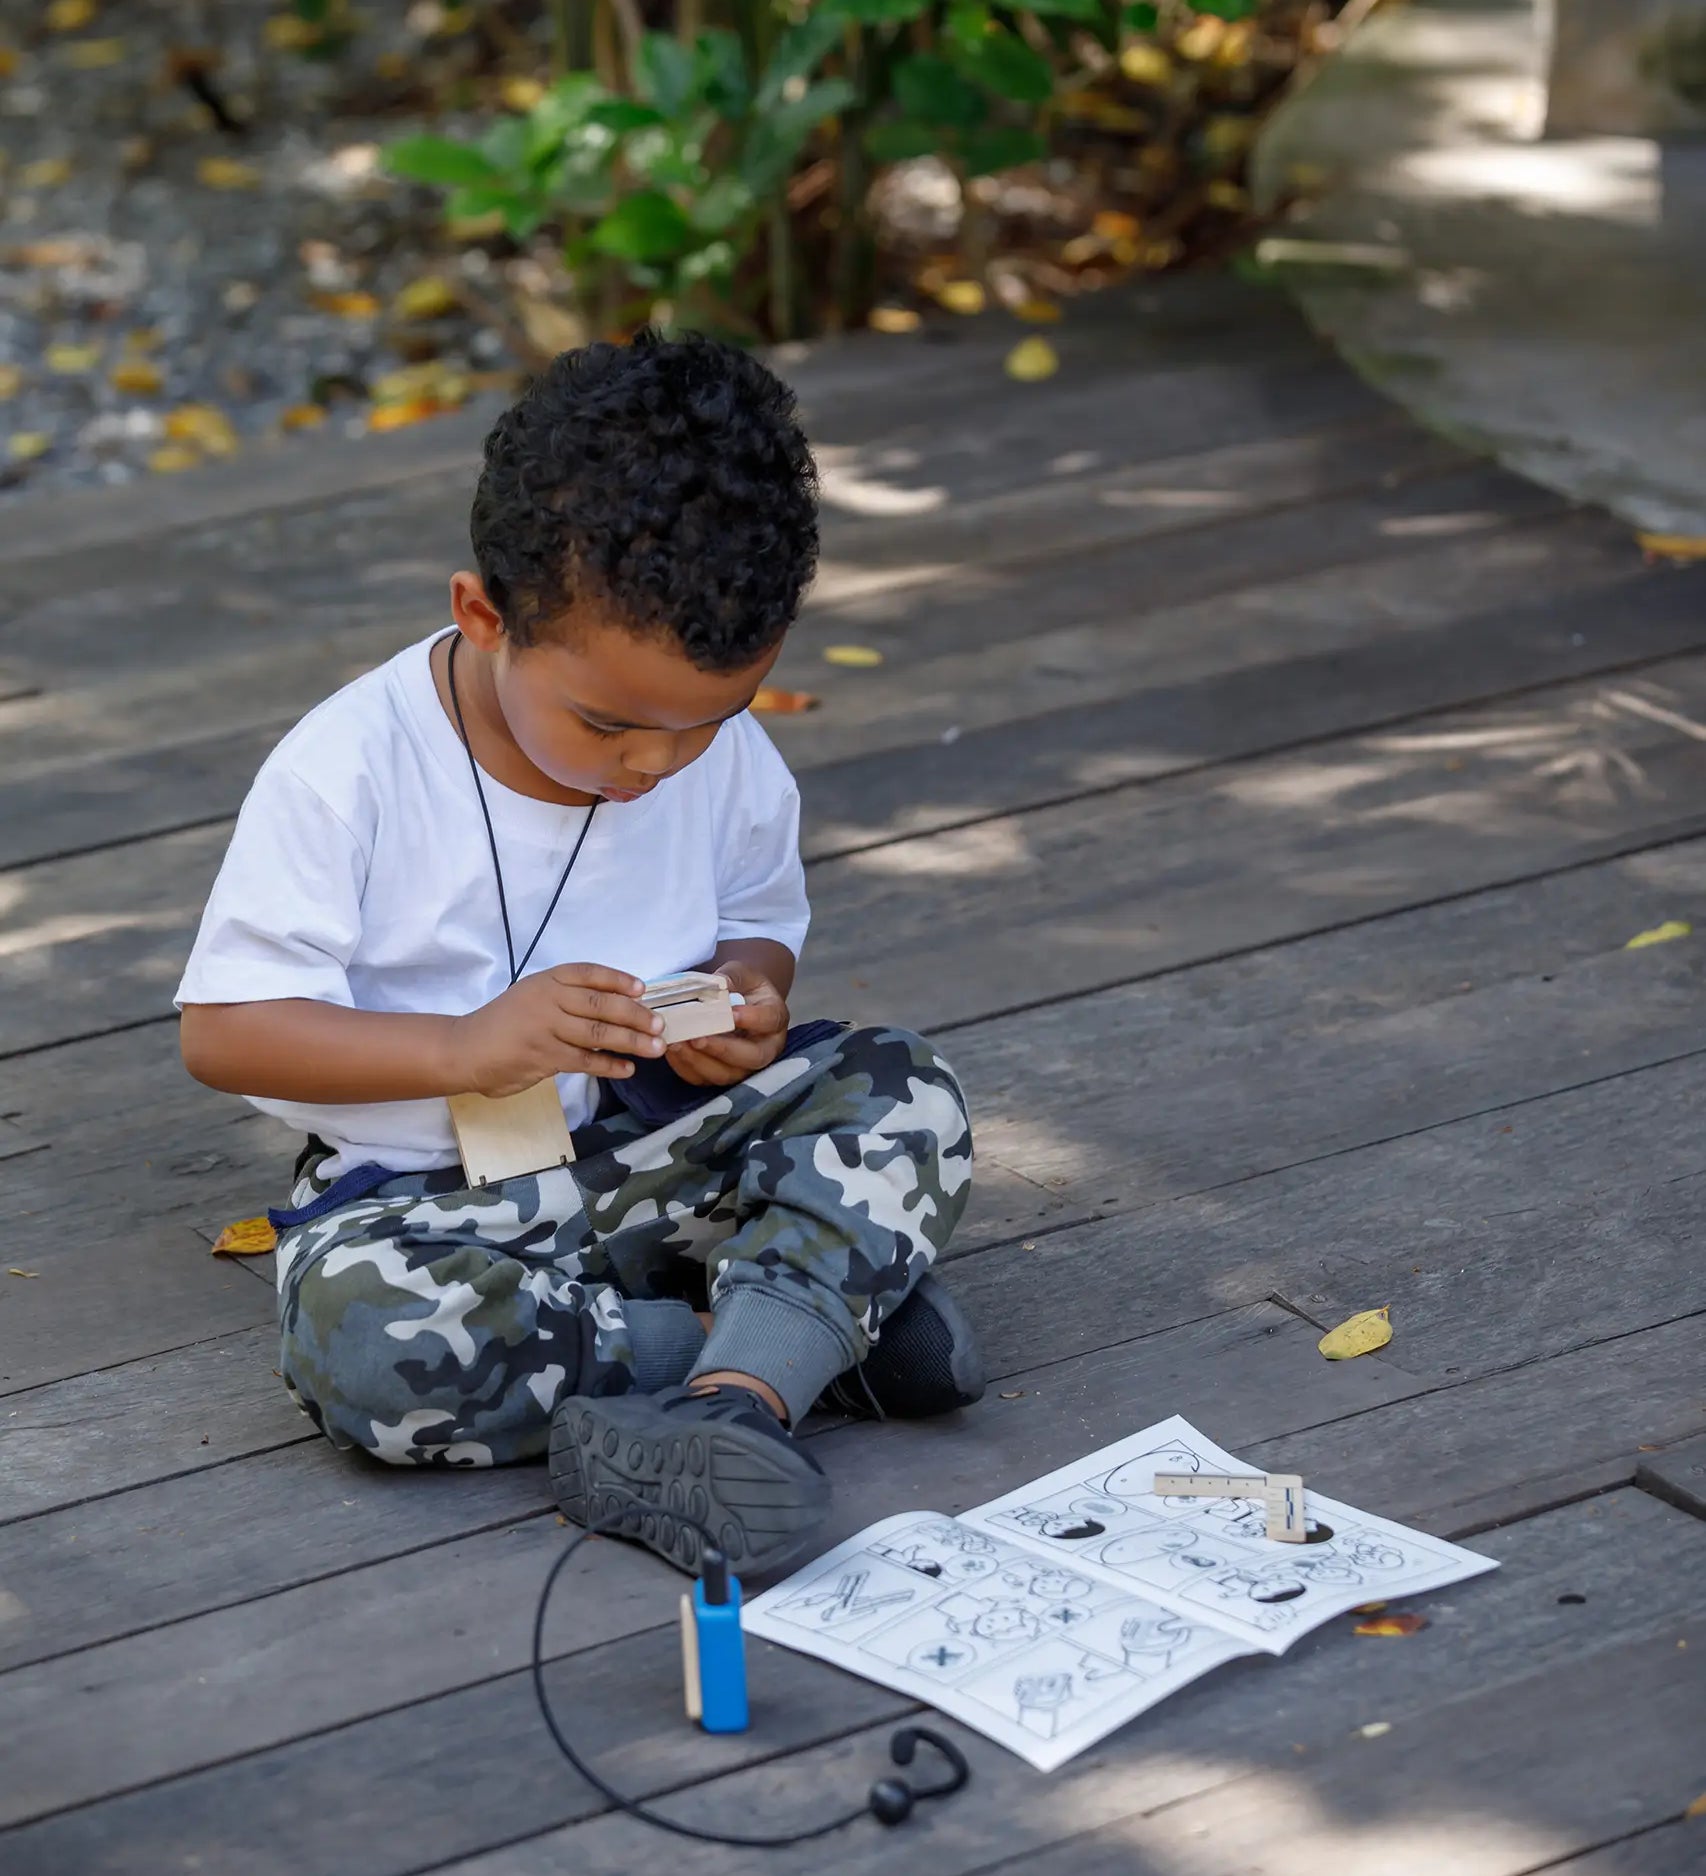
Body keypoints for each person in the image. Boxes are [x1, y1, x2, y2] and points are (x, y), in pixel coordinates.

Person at [175, 332, 982, 1576]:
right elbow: (224, 1029)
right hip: (430, 1203)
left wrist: (752, 1000)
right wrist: (462, 1044)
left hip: (655, 1151)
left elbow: (755, 921)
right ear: (482, 614)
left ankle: (734, 1403)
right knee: (359, 1337)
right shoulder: (350, 770)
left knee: (902, 1085)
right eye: (607, 724)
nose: (653, 764)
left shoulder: (709, 757)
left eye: (707, 723)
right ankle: (772, 1344)